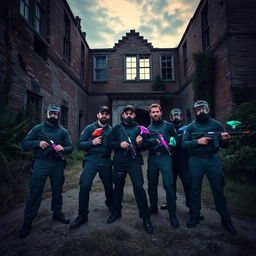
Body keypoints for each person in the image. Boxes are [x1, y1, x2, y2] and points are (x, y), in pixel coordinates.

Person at [182, 100, 237, 234]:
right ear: (194, 112)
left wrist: (225, 140)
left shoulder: (217, 125)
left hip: (212, 160)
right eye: (198, 110)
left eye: (204, 109)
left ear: (208, 109)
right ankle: (195, 216)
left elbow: (225, 145)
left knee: (218, 190)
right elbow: (183, 145)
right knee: (194, 190)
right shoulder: (191, 127)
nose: (201, 112)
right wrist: (197, 141)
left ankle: (226, 220)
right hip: (196, 160)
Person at [19, 105, 73, 238]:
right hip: (41, 163)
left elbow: (71, 147)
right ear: (46, 114)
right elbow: (25, 144)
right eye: (51, 113)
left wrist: (63, 148)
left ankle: (57, 213)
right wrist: (37, 143)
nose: (54, 116)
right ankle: (28, 221)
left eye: (56, 114)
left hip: (57, 164)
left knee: (57, 189)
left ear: (60, 116)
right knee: (35, 190)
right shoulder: (38, 129)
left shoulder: (63, 131)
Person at [107, 105, 153, 234]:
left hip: (134, 162)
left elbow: (145, 147)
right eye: (126, 113)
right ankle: (116, 212)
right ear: (122, 115)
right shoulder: (116, 128)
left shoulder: (139, 129)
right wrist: (118, 144)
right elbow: (109, 143)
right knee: (118, 188)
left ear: (134, 115)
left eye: (131, 113)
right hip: (120, 162)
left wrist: (140, 143)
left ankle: (145, 218)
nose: (128, 115)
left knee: (139, 187)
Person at [70, 106, 113, 229]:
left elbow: (115, 145)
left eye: (106, 114)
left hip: (106, 160)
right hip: (91, 160)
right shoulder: (89, 128)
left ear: (109, 116)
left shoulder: (112, 130)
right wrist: (92, 142)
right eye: (102, 113)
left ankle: (110, 205)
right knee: (85, 185)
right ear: (98, 115)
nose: (104, 115)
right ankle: (82, 215)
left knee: (109, 186)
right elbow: (79, 145)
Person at [146, 103, 179, 228]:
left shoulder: (169, 126)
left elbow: (177, 140)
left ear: (161, 112)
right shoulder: (148, 129)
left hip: (165, 157)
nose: (155, 114)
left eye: (157, 111)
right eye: (153, 112)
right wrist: (149, 141)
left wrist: (173, 142)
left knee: (169, 185)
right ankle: (153, 207)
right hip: (153, 158)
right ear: (150, 114)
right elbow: (144, 144)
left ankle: (172, 214)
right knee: (152, 184)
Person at [160, 109, 191, 212]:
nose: (176, 117)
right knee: (169, 184)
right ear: (170, 117)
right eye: (174, 116)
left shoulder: (187, 128)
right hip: (170, 161)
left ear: (182, 117)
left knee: (187, 184)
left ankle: (192, 206)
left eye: (178, 115)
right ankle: (170, 202)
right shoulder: (167, 128)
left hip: (184, 161)